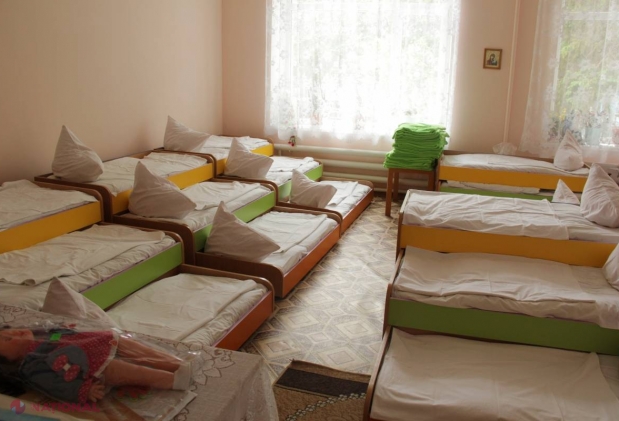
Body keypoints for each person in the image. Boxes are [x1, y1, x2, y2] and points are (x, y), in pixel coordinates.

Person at [0, 328, 192, 404]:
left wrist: (67, 330)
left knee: (131, 346)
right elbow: (54, 385)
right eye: (8, 339)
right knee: (126, 371)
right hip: (90, 365)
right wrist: (83, 389)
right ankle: (172, 380)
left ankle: (174, 363)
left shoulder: (43, 334)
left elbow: (62, 334)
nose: (15, 333)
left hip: (97, 343)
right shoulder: (32, 366)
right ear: (10, 360)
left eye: (8, 330)